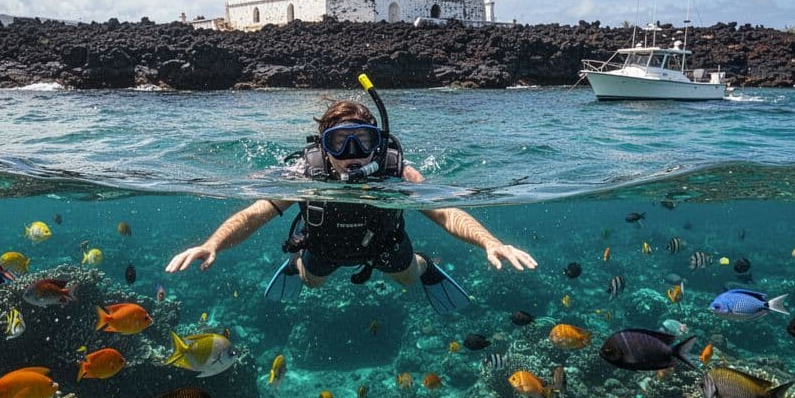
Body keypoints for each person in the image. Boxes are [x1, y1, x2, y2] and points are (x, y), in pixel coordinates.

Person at [165, 92, 536, 313]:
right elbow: (255, 212)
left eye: (363, 141)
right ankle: (298, 265)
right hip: (325, 245)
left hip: (385, 243)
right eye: (340, 143)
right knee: (313, 284)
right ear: (323, 148)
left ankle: (426, 268)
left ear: (378, 144)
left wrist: (490, 241)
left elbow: (444, 210)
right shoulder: (304, 175)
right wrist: (213, 243)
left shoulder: (397, 172)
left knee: (408, 280)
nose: (352, 154)